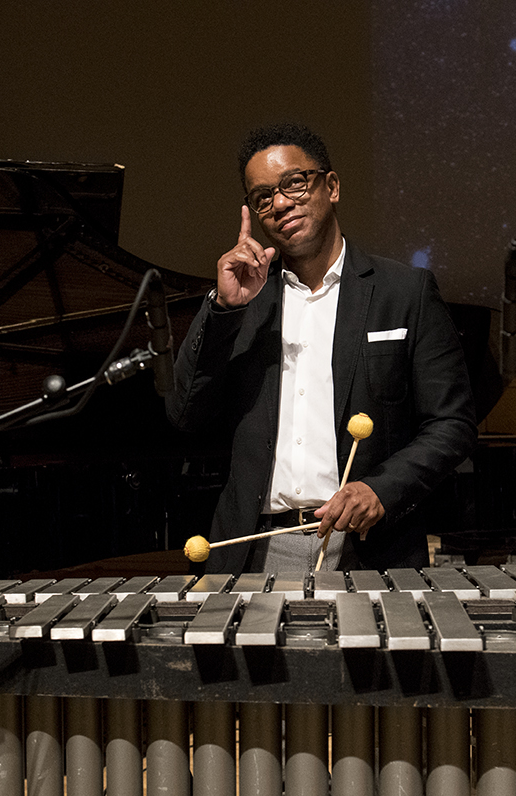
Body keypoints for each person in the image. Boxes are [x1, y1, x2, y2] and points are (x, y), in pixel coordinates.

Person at [166, 123, 478, 573]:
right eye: (262, 197)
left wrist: (381, 490)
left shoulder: (404, 291)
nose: (280, 203)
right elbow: (184, 414)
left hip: (370, 550)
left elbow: (452, 424)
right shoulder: (241, 300)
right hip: (256, 549)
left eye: (294, 183)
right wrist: (223, 310)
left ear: (330, 186)